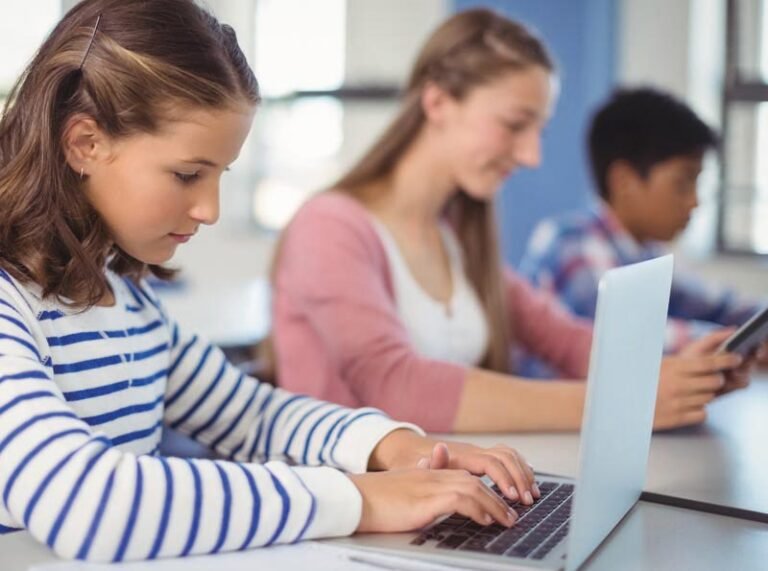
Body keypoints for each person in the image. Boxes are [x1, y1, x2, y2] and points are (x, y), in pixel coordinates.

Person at [0, 0, 540, 562]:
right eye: (187, 174)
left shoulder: (126, 300)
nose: (209, 209)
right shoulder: (9, 305)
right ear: (85, 143)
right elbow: (85, 503)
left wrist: (395, 446)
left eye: (219, 175)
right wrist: (360, 500)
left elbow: (251, 415)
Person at [270, 9, 750, 434]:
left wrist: (677, 373)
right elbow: (396, 385)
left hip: (440, 486)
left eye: (538, 130)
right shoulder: (328, 226)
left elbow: (565, 340)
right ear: (438, 103)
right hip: (346, 497)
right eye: (515, 125)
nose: (531, 155)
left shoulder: (453, 238)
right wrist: (618, 402)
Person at [519, 87, 768, 359]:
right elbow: (626, 337)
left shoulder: (645, 255)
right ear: (624, 181)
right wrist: (733, 342)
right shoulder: (571, 242)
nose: (695, 202)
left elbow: (720, 305)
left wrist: (755, 329)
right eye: (683, 183)